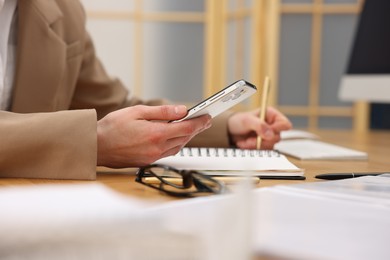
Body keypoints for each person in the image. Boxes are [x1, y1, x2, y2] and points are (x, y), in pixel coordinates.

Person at [0, 0, 292, 180]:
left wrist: (224, 126)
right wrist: (95, 141)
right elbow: (100, 129)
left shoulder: (64, 10)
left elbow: (111, 105)